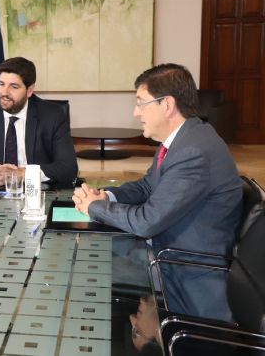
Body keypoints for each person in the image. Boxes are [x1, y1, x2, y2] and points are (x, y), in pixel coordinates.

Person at [73, 63, 242, 322]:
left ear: (167, 105)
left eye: (141, 103)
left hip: (180, 267)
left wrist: (95, 207)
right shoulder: (184, 140)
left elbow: (147, 222)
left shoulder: (193, 151)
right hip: (166, 249)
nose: (135, 112)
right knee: (85, 251)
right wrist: (106, 196)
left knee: (81, 266)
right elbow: (147, 186)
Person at [0, 57, 78, 187]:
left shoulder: (52, 115)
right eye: (1, 84)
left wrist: (25, 173)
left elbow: (68, 168)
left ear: (30, 90)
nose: (4, 92)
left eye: (14, 87)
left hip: (37, 192)